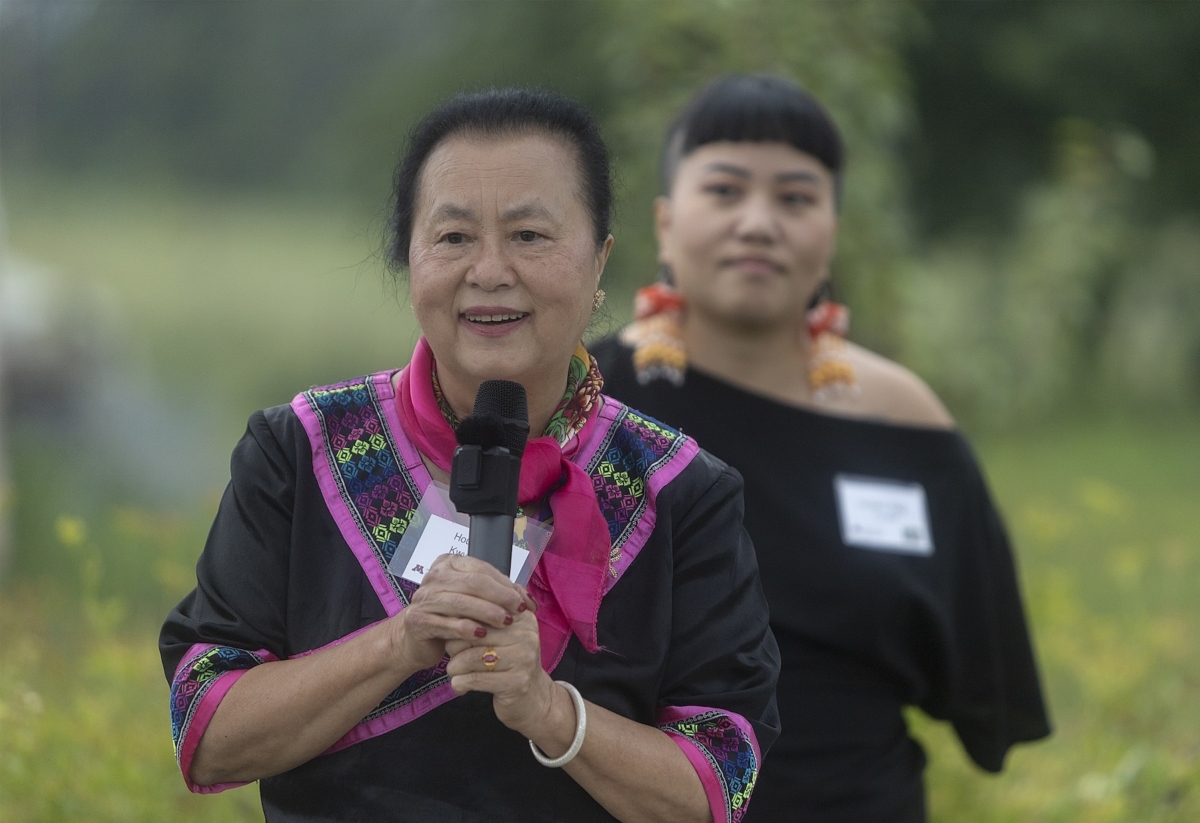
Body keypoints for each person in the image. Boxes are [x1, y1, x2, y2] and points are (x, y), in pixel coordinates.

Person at [160, 88, 781, 823]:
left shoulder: (681, 488)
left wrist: (551, 711)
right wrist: (403, 641)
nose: (489, 270)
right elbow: (206, 731)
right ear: (409, 257)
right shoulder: (300, 447)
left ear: (599, 260)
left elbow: (723, 781)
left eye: (529, 235)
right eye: (453, 237)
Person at [592, 75, 1050, 822]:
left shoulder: (904, 422)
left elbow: (979, 670)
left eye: (797, 198)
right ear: (667, 224)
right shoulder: (589, 402)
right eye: (726, 190)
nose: (760, 222)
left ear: (832, 229)